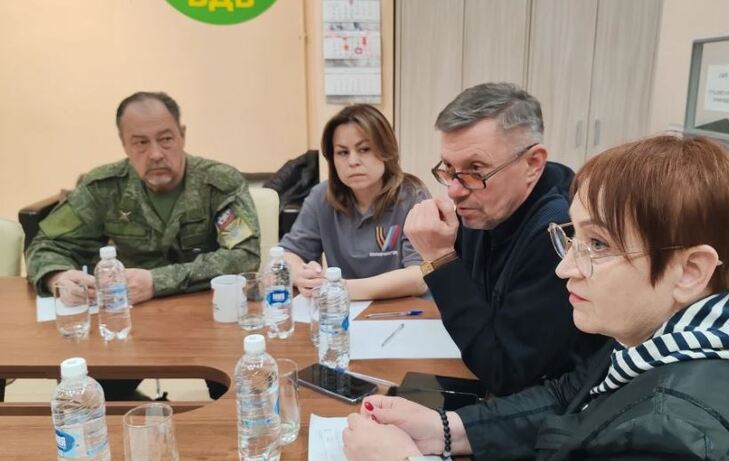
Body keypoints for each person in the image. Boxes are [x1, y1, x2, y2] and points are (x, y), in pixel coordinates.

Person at [342, 135, 729, 460]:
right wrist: (447, 431)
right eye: (574, 238)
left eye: (599, 245)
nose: (565, 267)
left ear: (691, 271)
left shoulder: (672, 436)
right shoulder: (663, 339)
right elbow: (570, 397)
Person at [25, 91, 260, 400]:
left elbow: (244, 256)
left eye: (166, 139)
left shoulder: (219, 183)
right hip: (129, 325)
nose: (156, 154)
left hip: (210, 321)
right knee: (85, 395)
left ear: (182, 135)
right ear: (124, 144)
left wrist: (156, 281)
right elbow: (45, 245)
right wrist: (58, 277)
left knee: (243, 394)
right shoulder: (104, 188)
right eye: (140, 143)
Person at [404, 82, 605, 396]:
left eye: (475, 169)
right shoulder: (485, 205)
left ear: (533, 163)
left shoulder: (560, 232)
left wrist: (440, 260)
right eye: (449, 169)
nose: (454, 190)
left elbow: (506, 373)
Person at [278, 104, 429, 300]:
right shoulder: (321, 197)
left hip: (404, 309)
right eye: (342, 152)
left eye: (364, 149)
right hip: (345, 311)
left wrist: (341, 288)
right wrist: (301, 275)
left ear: (387, 151)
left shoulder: (413, 197)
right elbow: (287, 254)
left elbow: (420, 276)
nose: (353, 161)